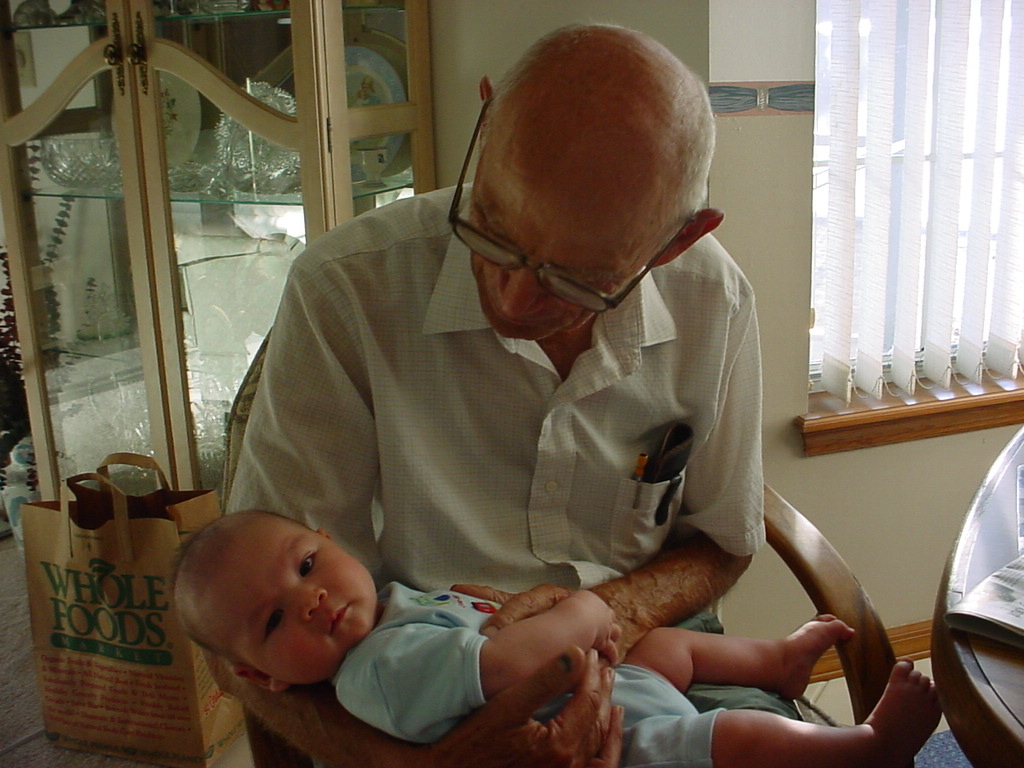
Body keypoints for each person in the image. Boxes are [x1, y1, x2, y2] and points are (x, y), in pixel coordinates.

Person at [227, 22, 769, 766]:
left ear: (678, 241)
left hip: (653, 654)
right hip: (417, 682)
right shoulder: (346, 291)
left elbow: (724, 540)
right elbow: (242, 631)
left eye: (577, 281)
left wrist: (601, 616)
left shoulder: (714, 299)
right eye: (491, 231)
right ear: (485, 124)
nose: (511, 301)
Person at [175, 511, 942, 768]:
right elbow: (514, 662)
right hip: (618, 741)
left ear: (329, 535)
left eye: (308, 565)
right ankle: (868, 749)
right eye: (274, 621)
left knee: (668, 650)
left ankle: (775, 661)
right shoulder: (374, 671)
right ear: (262, 676)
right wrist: (586, 609)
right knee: (736, 738)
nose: (310, 600)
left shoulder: (396, 604)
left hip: (612, 683)